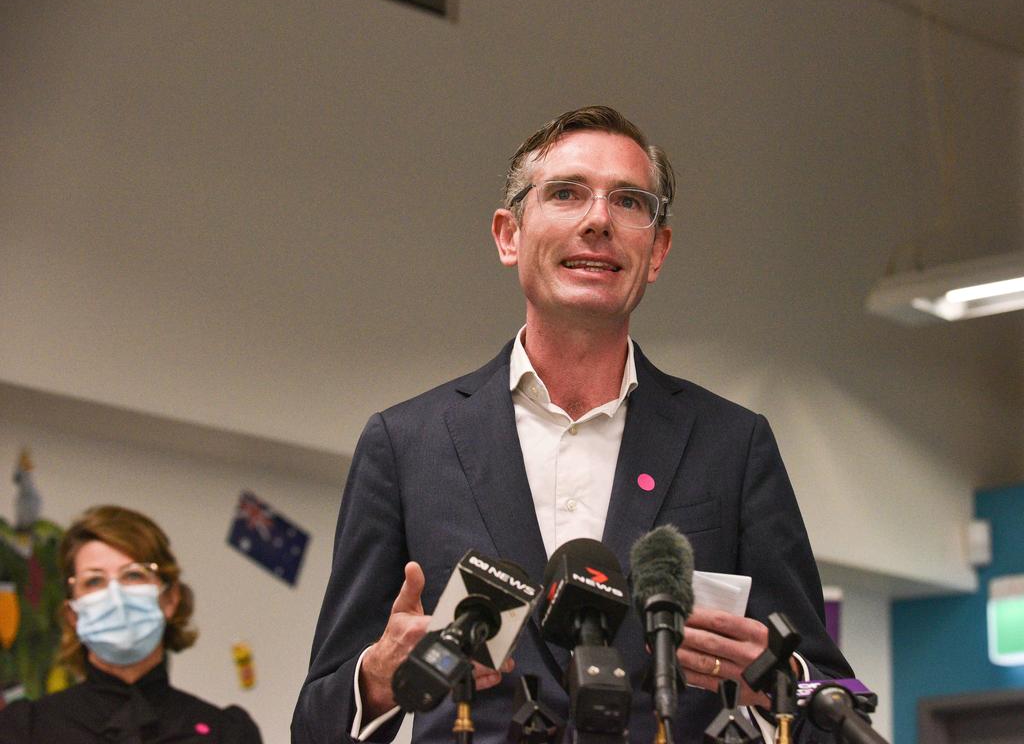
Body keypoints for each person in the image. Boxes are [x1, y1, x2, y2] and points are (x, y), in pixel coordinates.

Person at [292, 106, 852, 744]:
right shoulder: (407, 444)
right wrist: (377, 678)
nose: (598, 220)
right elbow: (314, 722)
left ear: (658, 249)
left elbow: (837, 698)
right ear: (509, 235)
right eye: (565, 193)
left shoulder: (732, 445)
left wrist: (782, 678)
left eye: (630, 202)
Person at [0, 505, 262, 743]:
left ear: (170, 599)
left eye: (133, 575)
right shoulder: (25, 729)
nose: (116, 596)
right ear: (73, 614)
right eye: (94, 581)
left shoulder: (226, 733)